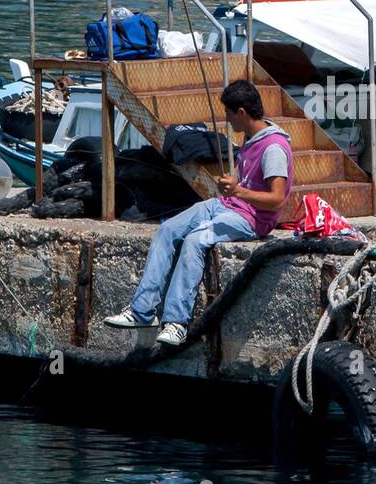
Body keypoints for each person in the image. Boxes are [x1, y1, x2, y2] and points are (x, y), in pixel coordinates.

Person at [105, 80, 294, 347]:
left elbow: (276, 200)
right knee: (168, 229)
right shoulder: (252, 138)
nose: (227, 120)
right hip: (228, 205)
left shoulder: (273, 147)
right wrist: (232, 189)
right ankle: (142, 311)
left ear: (241, 112)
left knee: (195, 240)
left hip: (252, 220)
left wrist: (237, 190)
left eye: (228, 113)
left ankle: (176, 322)